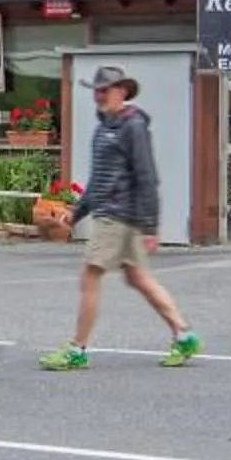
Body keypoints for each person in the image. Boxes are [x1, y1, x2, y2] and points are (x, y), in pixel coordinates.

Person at [40, 65, 199, 370]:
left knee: (90, 276)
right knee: (137, 277)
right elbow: (98, 179)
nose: (99, 96)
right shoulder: (105, 128)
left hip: (119, 215)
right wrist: (76, 214)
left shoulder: (132, 126)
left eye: (105, 90)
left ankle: (77, 350)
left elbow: (147, 176)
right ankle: (184, 334)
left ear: (122, 91)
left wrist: (151, 227)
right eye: (96, 91)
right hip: (113, 213)